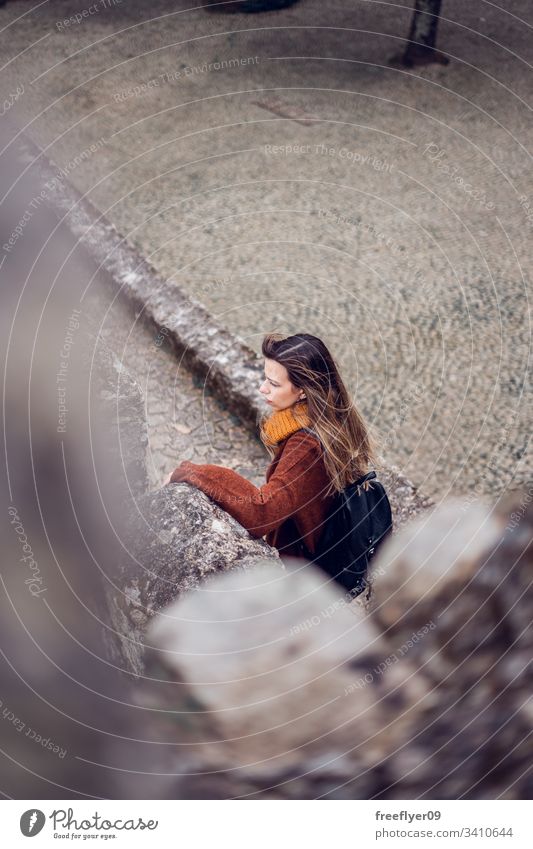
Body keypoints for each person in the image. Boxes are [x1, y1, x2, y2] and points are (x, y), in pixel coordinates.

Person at [163, 332, 379, 564]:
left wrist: (192, 472)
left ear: (303, 391)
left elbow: (262, 513)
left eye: (274, 384)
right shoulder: (331, 419)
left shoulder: (306, 446)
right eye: (265, 378)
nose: (262, 389)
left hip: (299, 573)